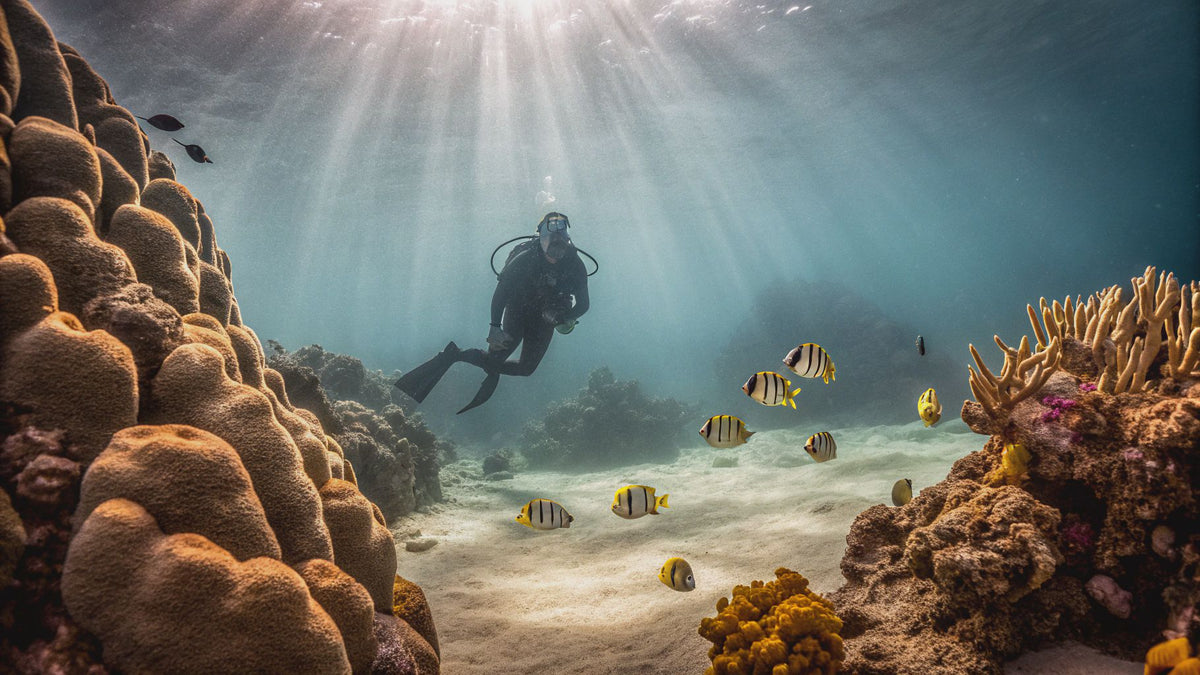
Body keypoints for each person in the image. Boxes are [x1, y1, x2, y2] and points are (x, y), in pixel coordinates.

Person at [394, 212, 591, 413]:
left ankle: (472, 361)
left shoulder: (575, 265)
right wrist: (495, 327)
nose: (556, 241)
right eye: (550, 236)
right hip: (518, 310)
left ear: (567, 237)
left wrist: (564, 318)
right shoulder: (525, 259)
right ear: (540, 238)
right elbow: (501, 293)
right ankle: (453, 355)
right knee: (494, 360)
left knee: (526, 369)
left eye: (561, 234)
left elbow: (584, 304)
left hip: (545, 320)